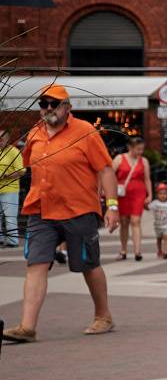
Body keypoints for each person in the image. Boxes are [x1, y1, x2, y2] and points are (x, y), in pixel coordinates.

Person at [4, 84, 118, 341]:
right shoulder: (35, 133)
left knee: (88, 265)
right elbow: (25, 167)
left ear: (67, 107)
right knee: (36, 264)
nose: (48, 108)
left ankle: (103, 316)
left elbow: (105, 169)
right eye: (43, 104)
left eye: (53, 103)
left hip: (79, 209)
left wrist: (112, 206)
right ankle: (27, 327)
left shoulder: (85, 132)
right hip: (41, 209)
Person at [112, 137, 151, 261]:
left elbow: (147, 179)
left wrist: (150, 195)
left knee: (136, 220)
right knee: (124, 222)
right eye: (138, 149)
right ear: (130, 147)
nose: (140, 152)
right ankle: (123, 249)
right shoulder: (119, 159)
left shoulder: (144, 161)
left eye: (142, 149)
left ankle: (137, 251)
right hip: (122, 193)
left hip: (138, 193)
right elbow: (110, 174)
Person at [0, 126, 23, 249]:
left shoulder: (14, 152)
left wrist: (6, 175)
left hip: (10, 190)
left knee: (10, 217)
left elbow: (21, 171)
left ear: (7, 139)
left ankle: (12, 241)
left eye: (1, 139)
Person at [148, 181, 167, 259]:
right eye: (160, 194)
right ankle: (159, 250)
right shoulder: (155, 203)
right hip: (158, 225)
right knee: (159, 239)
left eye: (164, 194)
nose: (163, 195)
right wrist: (144, 203)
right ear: (157, 195)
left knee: (166, 237)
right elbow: (148, 208)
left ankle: (166, 251)